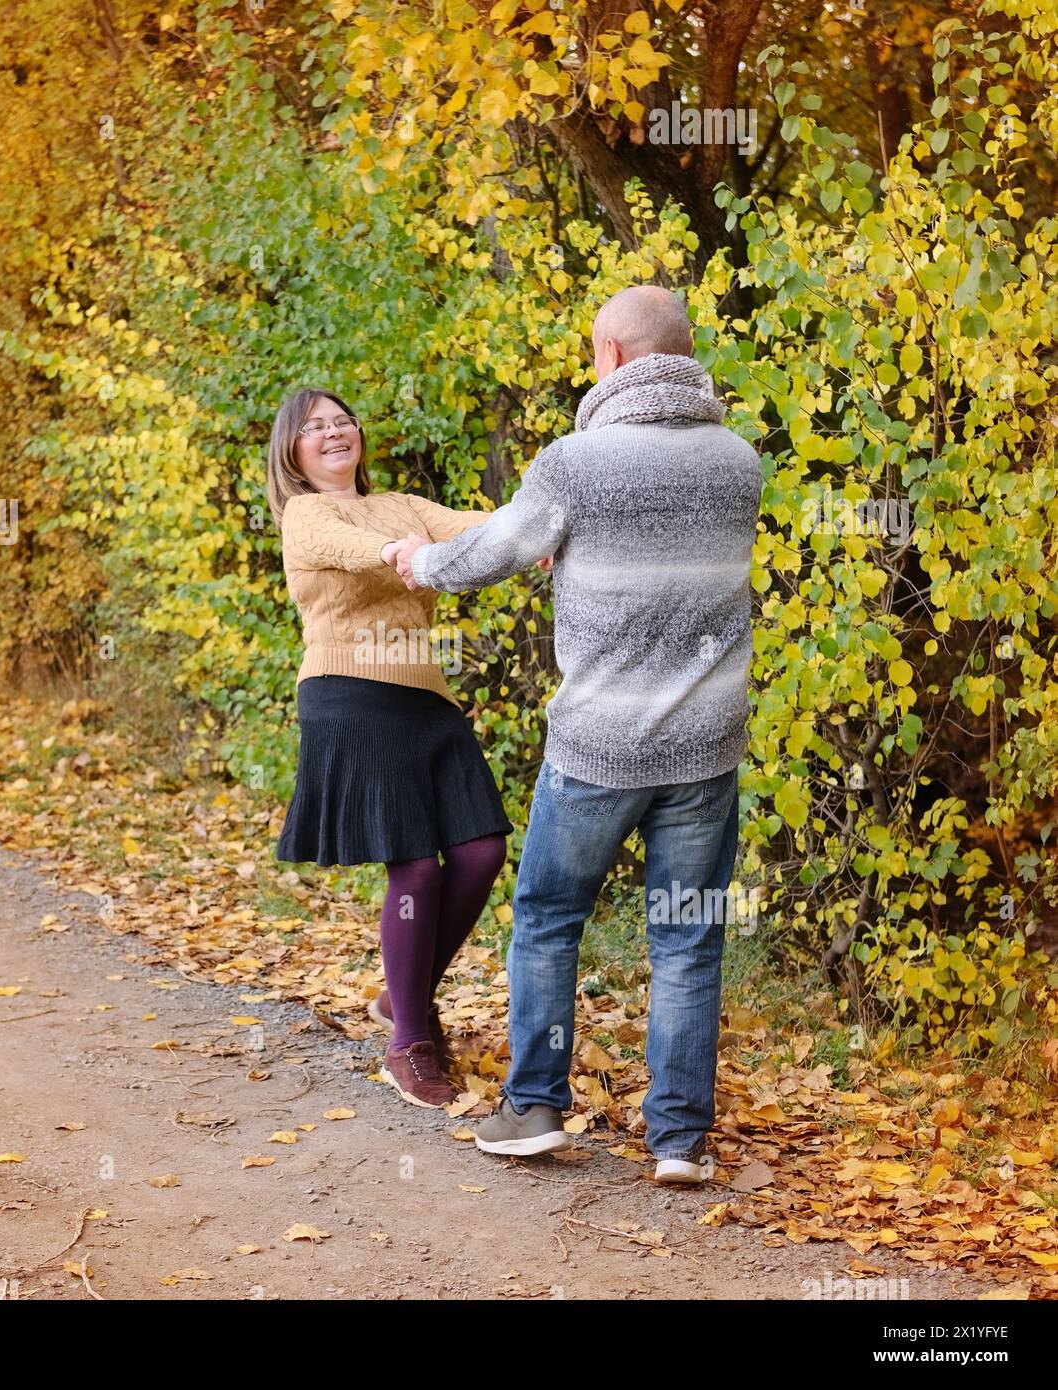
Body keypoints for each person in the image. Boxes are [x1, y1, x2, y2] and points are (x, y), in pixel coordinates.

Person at [388, 286, 763, 1183]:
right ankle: (679, 1140)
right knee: (686, 937)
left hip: (598, 749)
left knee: (551, 919)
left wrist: (418, 562)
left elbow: (492, 554)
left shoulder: (577, 463)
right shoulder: (738, 461)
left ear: (614, 357)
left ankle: (535, 1108)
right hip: (705, 750)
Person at [268, 386, 516, 1110]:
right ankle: (409, 1040)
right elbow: (348, 549)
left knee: (480, 851)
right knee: (415, 866)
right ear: (292, 449)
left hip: (425, 697)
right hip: (350, 694)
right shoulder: (308, 512)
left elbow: (482, 525)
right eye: (315, 427)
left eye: (343, 420)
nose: (335, 432)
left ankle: (403, 997)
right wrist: (395, 553)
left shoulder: (405, 504)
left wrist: (541, 534)